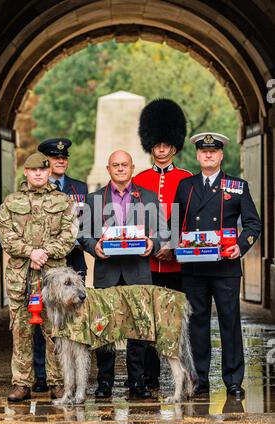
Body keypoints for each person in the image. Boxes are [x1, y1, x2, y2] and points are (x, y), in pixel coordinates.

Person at [175, 132, 261, 398]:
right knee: (197, 324)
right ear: (198, 156)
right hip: (194, 268)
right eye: (203, 152)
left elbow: (252, 223)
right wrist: (172, 244)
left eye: (213, 151)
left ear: (221, 155)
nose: (208, 155)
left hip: (225, 267)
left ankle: (233, 380)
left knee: (230, 323)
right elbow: (175, 224)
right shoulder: (186, 187)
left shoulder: (237, 185)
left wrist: (240, 245)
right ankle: (200, 380)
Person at [80, 150, 168, 400]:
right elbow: (83, 233)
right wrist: (94, 246)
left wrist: (153, 243)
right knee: (103, 329)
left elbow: (163, 231)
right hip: (107, 273)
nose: (120, 169)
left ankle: (137, 383)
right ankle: (104, 383)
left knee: (138, 331)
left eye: (124, 165)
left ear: (132, 168)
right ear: (108, 169)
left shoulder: (148, 197)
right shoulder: (94, 198)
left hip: (138, 273)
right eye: (115, 165)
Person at [0, 152, 78, 402]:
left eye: (43, 170)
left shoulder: (63, 201)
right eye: (34, 171)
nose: (39, 174)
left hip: (52, 279)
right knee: (21, 331)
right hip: (21, 278)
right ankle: (22, 383)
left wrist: (45, 253)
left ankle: (57, 383)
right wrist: (30, 252)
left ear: (48, 172)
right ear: (27, 173)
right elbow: (5, 235)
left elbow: (69, 234)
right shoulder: (11, 202)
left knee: (55, 330)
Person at [133, 98, 192, 389]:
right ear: (151, 145)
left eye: (167, 144)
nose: (162, 149)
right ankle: (149, 375)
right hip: (147, 263)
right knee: (148, 321)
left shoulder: (187, 180)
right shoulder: (139, 180)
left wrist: (175, 246)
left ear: (174, 146)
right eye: (157, 144)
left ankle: (181, 375)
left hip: (177, 263)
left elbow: (189, 222)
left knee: (177, 322)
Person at [31, 137, 88, 393]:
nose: (61, 160)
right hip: (46, 266)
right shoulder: (35, 190)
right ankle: (43, 374)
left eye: (64, 157)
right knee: (42, 319)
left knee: (75, 321)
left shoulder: (80, 188)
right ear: (46, 161)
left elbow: (86, 226)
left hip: (73, 263)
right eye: (55, 157)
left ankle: (72, 377)